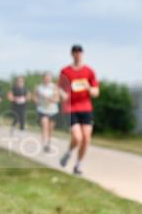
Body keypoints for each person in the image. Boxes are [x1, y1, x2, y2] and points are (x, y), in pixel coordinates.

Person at [58, 45, 99, 175]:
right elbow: (60, 88)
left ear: (82, 54)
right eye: (75, 52)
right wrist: (63, 94)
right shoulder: (65, 71)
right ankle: (69, 153)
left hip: (86, 107)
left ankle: (77, 165)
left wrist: (88, 87)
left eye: (79, 52)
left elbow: (96, 93)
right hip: (71, 107)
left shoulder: (89, 71)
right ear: (72, 54)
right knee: (77, 138)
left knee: (86, 138)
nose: (77, 54)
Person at [34, 71, 63, 152]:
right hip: (42, 110)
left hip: (53, 110)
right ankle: (45, 144)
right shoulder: (38, 87)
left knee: (50, 128)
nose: (47, 79)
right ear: (43, 78)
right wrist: (37, 101)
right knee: (44, 125)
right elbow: (35, 97)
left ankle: (49, 143)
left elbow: (57, 99)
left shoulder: (54, 87)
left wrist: (50, 99)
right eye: (45, 77)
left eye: (49, 78)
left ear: (51, 79)